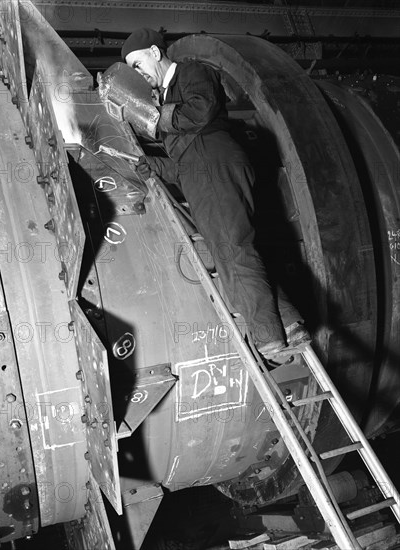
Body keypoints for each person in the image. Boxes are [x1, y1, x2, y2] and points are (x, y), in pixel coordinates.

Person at [121, 28, 309, 357]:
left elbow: (202, 110)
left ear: (154, 51)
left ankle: (268, 335)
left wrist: (156, 117)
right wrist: (156, 165)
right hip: (201, 171)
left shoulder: (192, 71)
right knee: (232, 249)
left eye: (137, 64)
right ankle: (290, 324)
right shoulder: (167, 98)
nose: (138, 74)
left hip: (215, 163)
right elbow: (184, 160)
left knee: (233, 250)